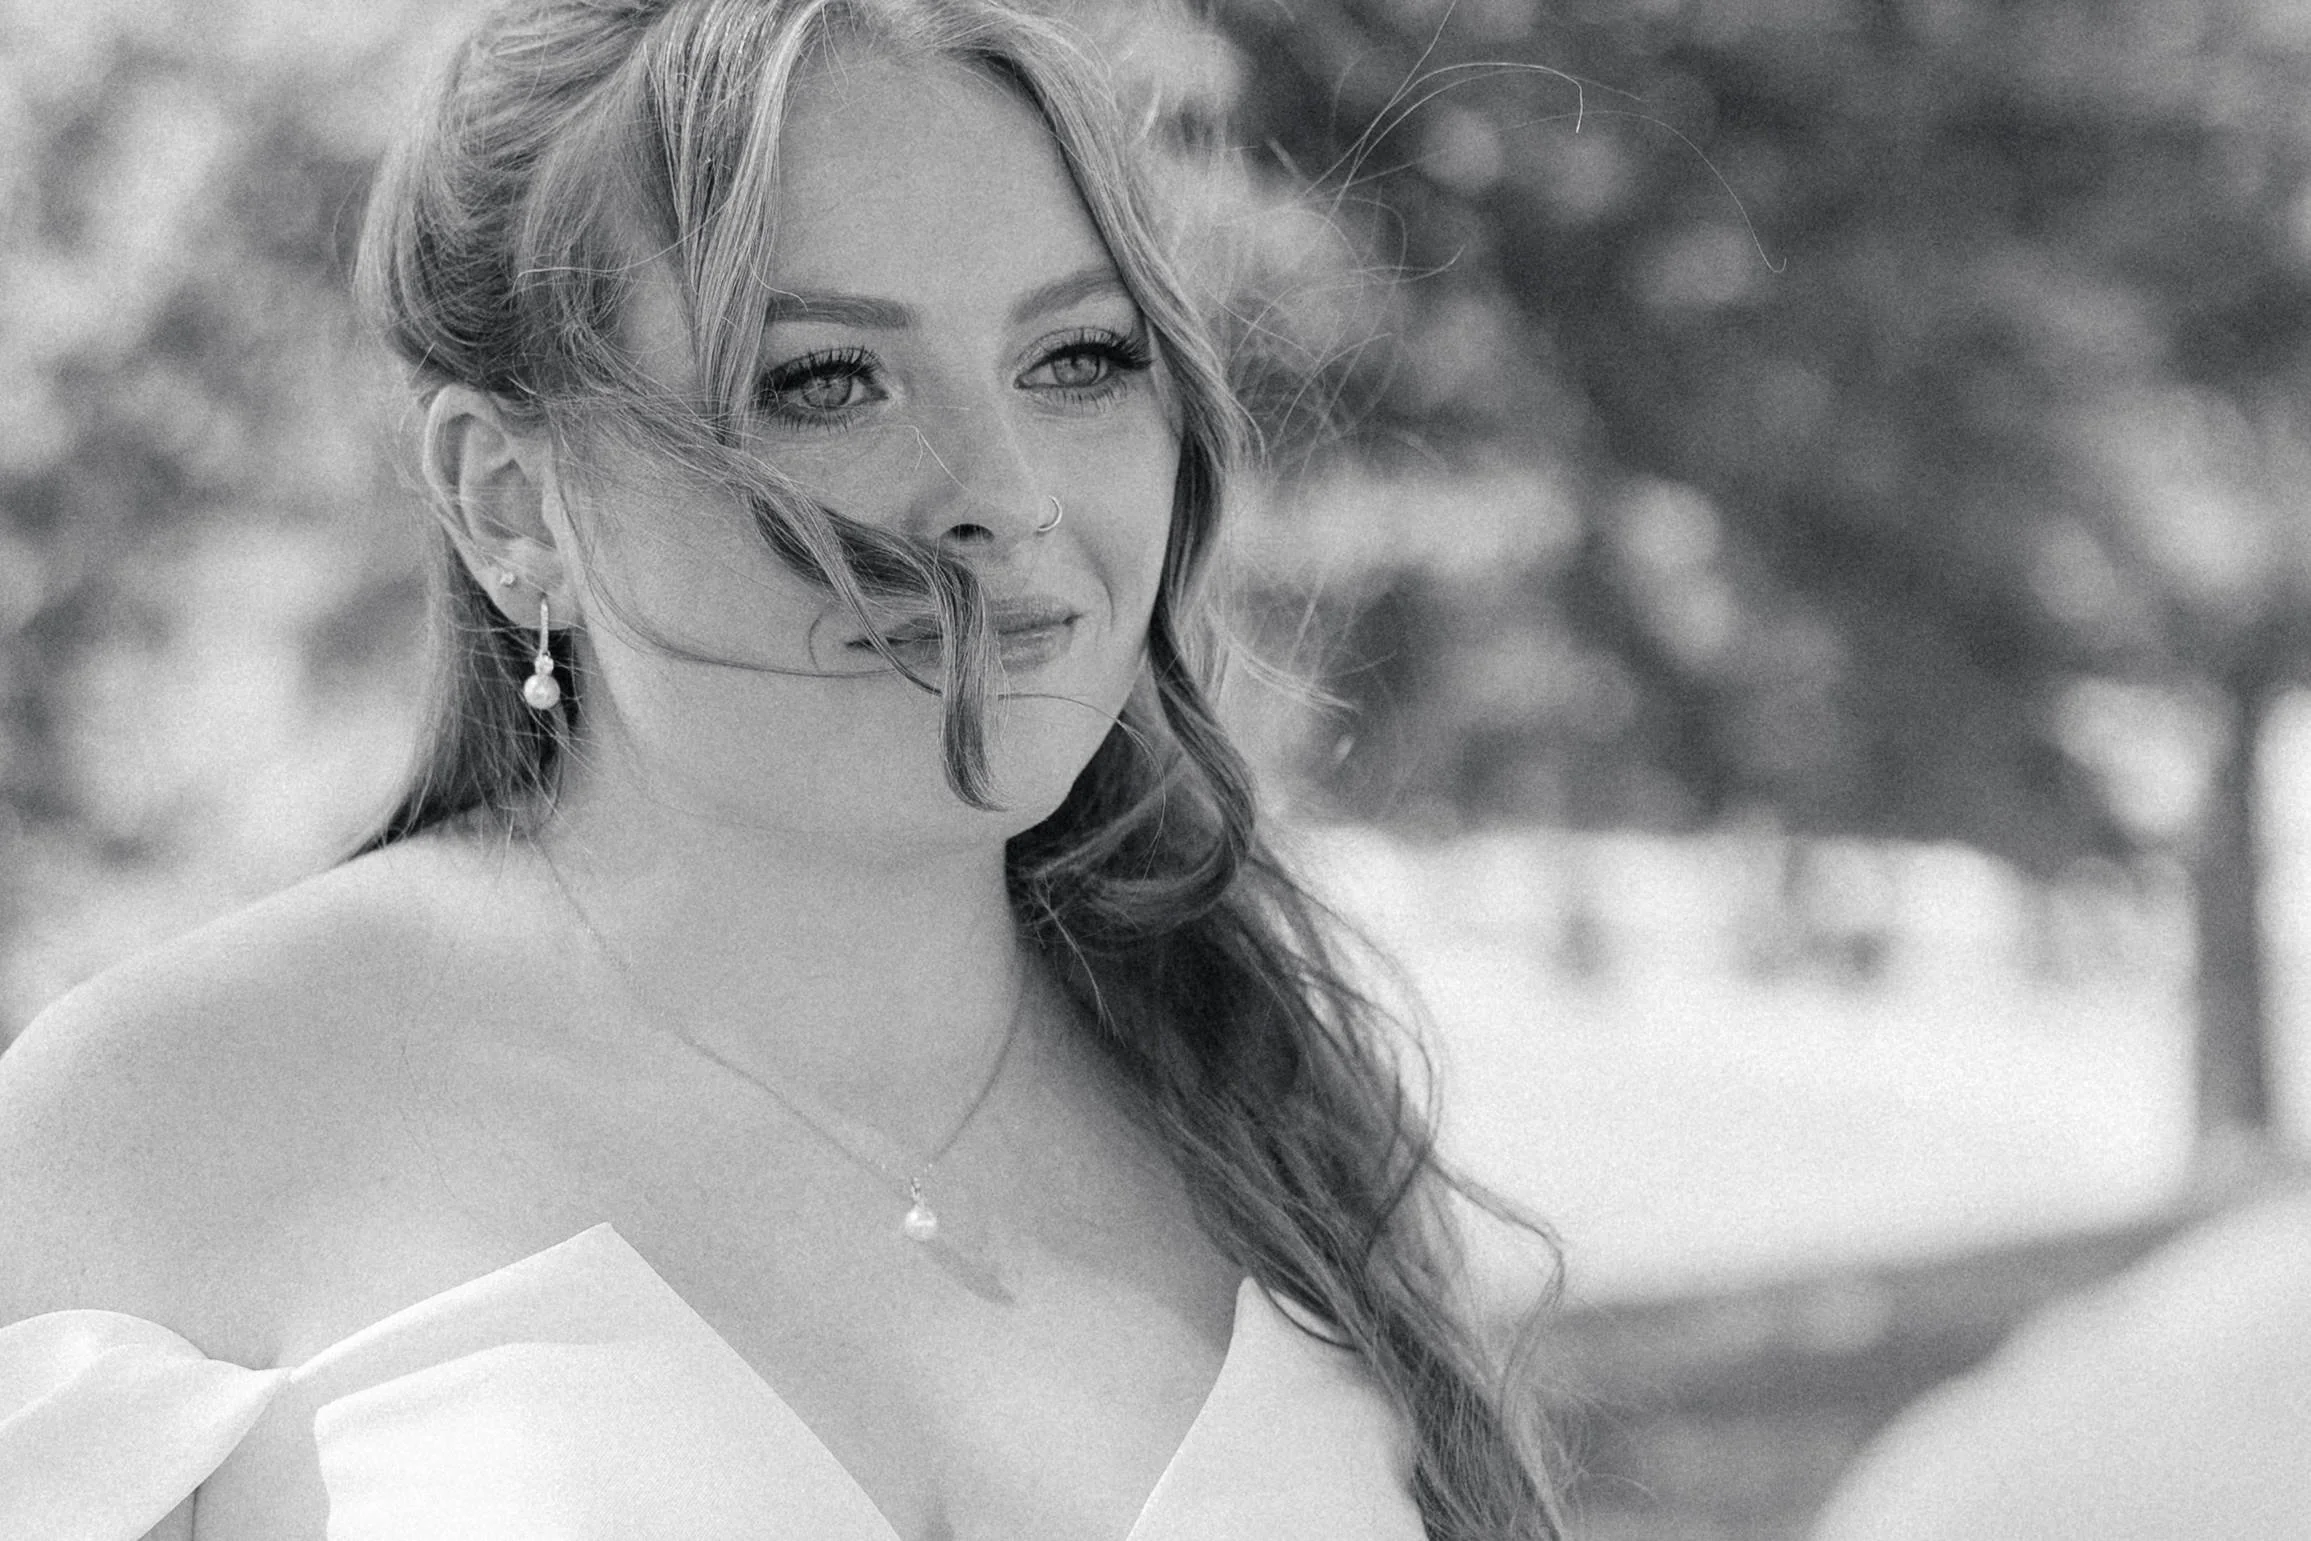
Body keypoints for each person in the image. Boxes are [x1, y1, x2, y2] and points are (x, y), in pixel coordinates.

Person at [0, 1, 1560, 1537]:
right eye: (822, 381)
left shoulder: (1275, 1108)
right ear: (511, 506)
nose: (1005, 501)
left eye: (1079, 358)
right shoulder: (162, 1123)